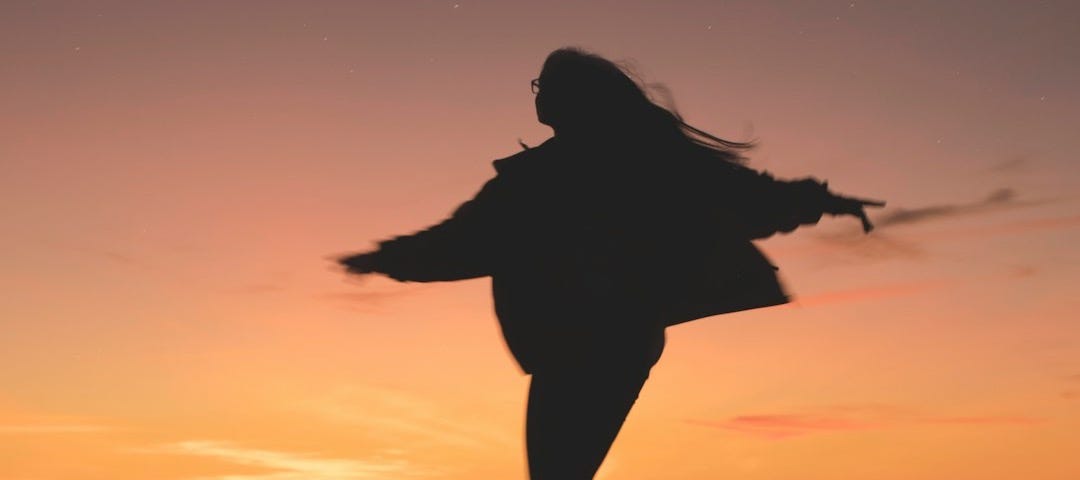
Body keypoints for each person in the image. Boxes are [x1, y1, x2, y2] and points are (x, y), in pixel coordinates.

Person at [337, 47, 884, 479]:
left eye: (547, 86)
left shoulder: (572, 174)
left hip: (597, 339)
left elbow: (467, 239)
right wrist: (390, 258)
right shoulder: (569, 172)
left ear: (577, 98)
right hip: (592, 341)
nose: (538, 95)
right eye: (537, 85)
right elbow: (467, 239)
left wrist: (821, 200)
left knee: (557, 473)